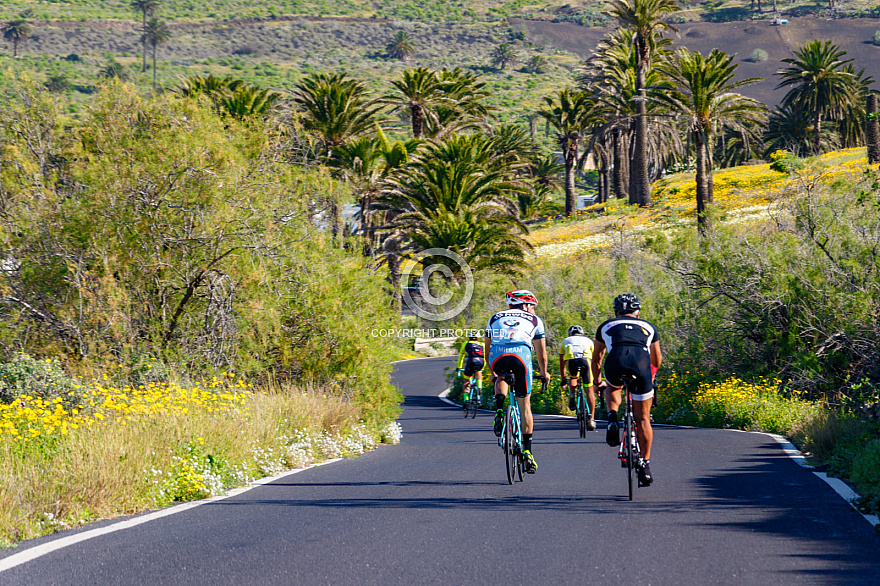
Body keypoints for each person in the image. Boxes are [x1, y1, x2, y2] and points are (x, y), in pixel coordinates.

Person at [591, 293, 662, 486]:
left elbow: (597, 357)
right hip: (640, 365)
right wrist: (650, 377)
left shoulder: (606, 325)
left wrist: (598, 382)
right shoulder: (648, 326)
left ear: (615, 312)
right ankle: (645, 465)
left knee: (612, 386)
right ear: (637, 312)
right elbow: (656, 360)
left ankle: (612, 416)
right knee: (643, 419)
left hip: (616, 363)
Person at [485, 289, 549, 474]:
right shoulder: (535, 320)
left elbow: (487, 346)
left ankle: (499, 410)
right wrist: (544, 373)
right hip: (521, 356)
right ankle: (527, 451)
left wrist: (492, 372)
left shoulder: (494, 317)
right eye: (533, 307)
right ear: (526, 305)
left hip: (497, 356)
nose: (534, 311)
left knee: (501, 376)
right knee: (525, 407)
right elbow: (542, 354)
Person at [559, 325, 596, 431]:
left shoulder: (565, 341)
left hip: (571, 363)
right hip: (586, 362)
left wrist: (563, 379)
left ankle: (571, 394)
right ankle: (592, 419)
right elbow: (594, 360)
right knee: (589, 390)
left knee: (573, 377)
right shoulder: (588, 340)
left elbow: (562, 364)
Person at [456, 332, 485, 405]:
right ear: (478, 339)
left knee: (466, 381)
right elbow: (486, 356)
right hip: (481, 362)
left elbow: (461, 357)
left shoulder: (466, 343)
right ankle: (480, 387)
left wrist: (459, 367)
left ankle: (466, 400)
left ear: (469, 338)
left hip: (471, 361)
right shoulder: (482, 345)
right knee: (479, 371)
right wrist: (483, 368)